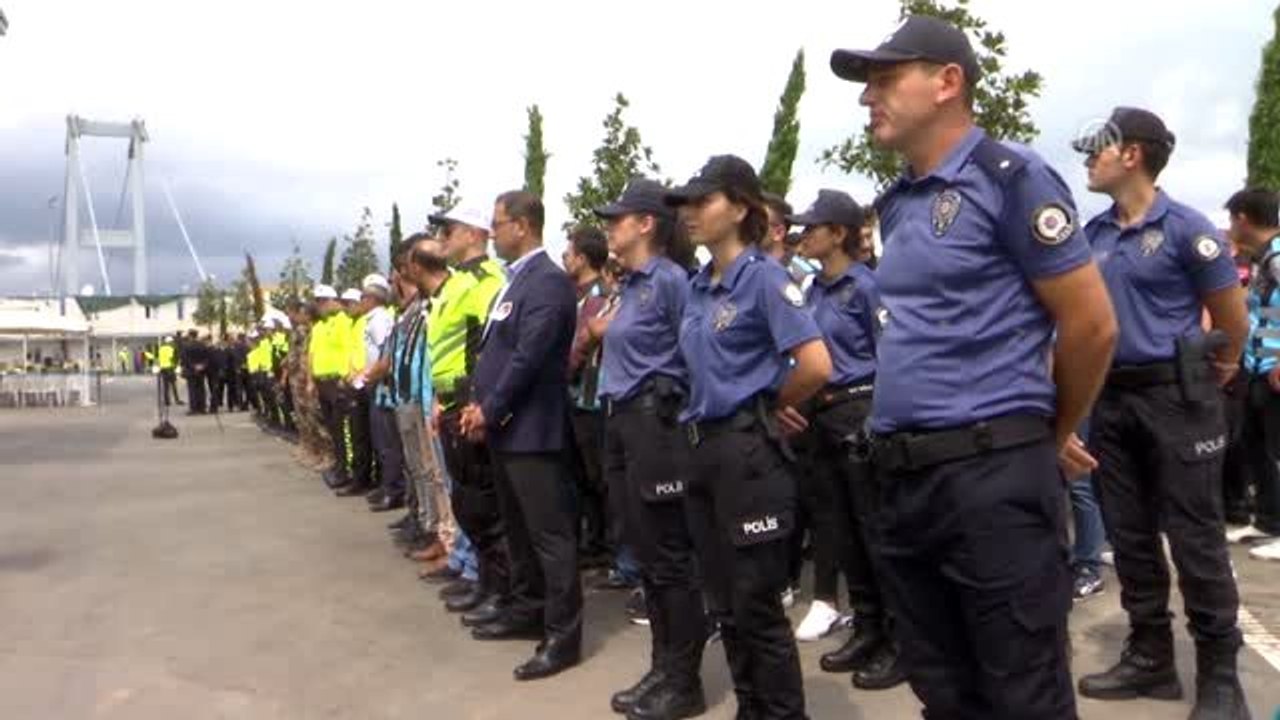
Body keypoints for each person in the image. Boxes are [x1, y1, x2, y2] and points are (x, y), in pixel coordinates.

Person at [830, 16, 1118, 719]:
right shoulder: (896, 206)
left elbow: (1091, 324)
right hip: (904, 480)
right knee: (944, 692)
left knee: (1023, 695)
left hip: (991, 479)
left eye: (886, 79)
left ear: (948, 82)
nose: (869, 97)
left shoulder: (1011, 179)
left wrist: (1048, 432)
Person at [1071, 106, 1250, 718]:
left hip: (1177, 396)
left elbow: (1232, 320)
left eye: (1101, 148)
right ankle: (1151, 658)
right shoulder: (1092, 236)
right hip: (1111, 397)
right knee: (1130, 535)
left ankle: (1221, 674)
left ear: (1133, 154)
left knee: (1196, 538)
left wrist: (1208, 378)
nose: (1090, 158)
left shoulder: (1185, 228)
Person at [665, 155, 833, 719]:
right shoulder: (697, 285)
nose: (689, 213)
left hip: (747, 455)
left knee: (757, 602)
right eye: (685, 203)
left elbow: (815, 363)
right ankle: (751, 707)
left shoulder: (762, 277)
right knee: (725, 604)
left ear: (739, 207)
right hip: (701, 451)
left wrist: (766, 402)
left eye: (702, 201)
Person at [593, 177, 706, 719]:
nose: (609, 227)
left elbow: (698, 356)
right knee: (646, 555)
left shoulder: (670, 282)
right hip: (621, 423)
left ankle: (683, 681)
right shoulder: (632, 284)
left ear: (646, 224)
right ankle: (663, 667)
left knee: (668, 559)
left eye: (617, 218)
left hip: (654, 423)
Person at [460, 190, 582, 682]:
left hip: (533, 431)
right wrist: (479, 403)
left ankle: (563, 635)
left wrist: (489, 408)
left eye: (499, 223)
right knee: (519, 531)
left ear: (524, 226)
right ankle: (527, 607)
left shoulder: (548, 282)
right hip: (507, 431)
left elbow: (528, 358)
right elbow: (497, 353)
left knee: (551, 538)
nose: (493, 232)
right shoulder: (517, 282)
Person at [787, 189, 905, 691]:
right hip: (821, 416)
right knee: (840, 531)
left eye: (813, 227)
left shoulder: (866, 287)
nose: (804, 234)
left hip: (861, 408)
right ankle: (868, 626)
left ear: (838, 234)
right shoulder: (812, 291)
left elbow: (893, 354)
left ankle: (901, 641)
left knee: (876, 531)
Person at [421, 208, 503, 603]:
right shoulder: (455, 284)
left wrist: (476, 403)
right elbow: (444, 351)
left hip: (472, 405)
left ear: (473, 234)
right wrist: (440, 399)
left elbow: (491, 348)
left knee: (484, 506)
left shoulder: (486, 281)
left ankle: (492, 587)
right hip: (451, 402)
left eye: (449, 230)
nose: (443, 238)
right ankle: (482, 580)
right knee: (467, 502)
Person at [1224, 187, 1280, 562]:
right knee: (1257, 447)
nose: (1229, 227)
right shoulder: (1262, 259)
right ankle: (1268, 521)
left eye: (1231, 219)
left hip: (1274, 368)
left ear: (1243, 217)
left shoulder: (1277, 258)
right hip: (1258, 368)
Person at [562, 226, 612, 567]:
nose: (564, 258)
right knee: (583, 476)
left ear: (582, 258)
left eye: (568, 253)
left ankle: (608, 547)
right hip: (576, 397)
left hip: (591, 398)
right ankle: (593, 542)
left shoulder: (598, 296)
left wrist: (561, 369)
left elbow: (583, 344)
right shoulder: (574, 294)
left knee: (599, 477)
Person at [350, 274, 401, 511]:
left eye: (363, 296)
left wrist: (367, 375)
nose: (360, 300)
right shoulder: (372, 318)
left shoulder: (379, 319)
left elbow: (385, 355)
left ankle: (394, 489)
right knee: (381, 440)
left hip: (381, 385)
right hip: (373, 384)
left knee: (387, 441)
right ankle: (387, 485)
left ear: (372, 298)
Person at [309, 284, 355, 490]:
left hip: (337, 381)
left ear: (331, 300)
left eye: (322, 301)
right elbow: (312, 355)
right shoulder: (320, 326)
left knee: (342, 427)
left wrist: (345, 376)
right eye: (317, 302)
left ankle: (348, 470)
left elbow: (350, 350)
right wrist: (311, 380)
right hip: (322, 381)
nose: (319, 306)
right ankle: (339, 465)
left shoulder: (344, 322)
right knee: (332, 429)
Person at [335, 288, 376, 497]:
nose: (348, 307)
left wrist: (357, 374)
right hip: (353, 382)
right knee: (357, 432)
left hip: (363, 382)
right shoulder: (352, 324)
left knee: (363, 434)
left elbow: (369, 354)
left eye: (352, 303)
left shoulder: (364, 323)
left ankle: (363, 478)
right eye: (346, 303)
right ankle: (360, 477)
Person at [180, 329, 207, 414]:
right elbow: (207, 357)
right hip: (201, 370)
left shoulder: (186, 346)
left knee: (192, 390)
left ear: (190, 336)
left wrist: (193, 366)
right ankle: (202, 408)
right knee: (201, 389)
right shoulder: (202, 345)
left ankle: (193, 409)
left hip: (191, 371)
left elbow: (185, 359)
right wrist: (202, 365)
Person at [157, 336, 182, 406]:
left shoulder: (161, 349)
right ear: (170, 342)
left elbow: (159, 359)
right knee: (173, 385)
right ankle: (177, 400)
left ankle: (167, 401)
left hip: (163, 369)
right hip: (170, 368)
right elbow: (174, 359)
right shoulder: (171, 349)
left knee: (166, 386)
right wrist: (176, 366)